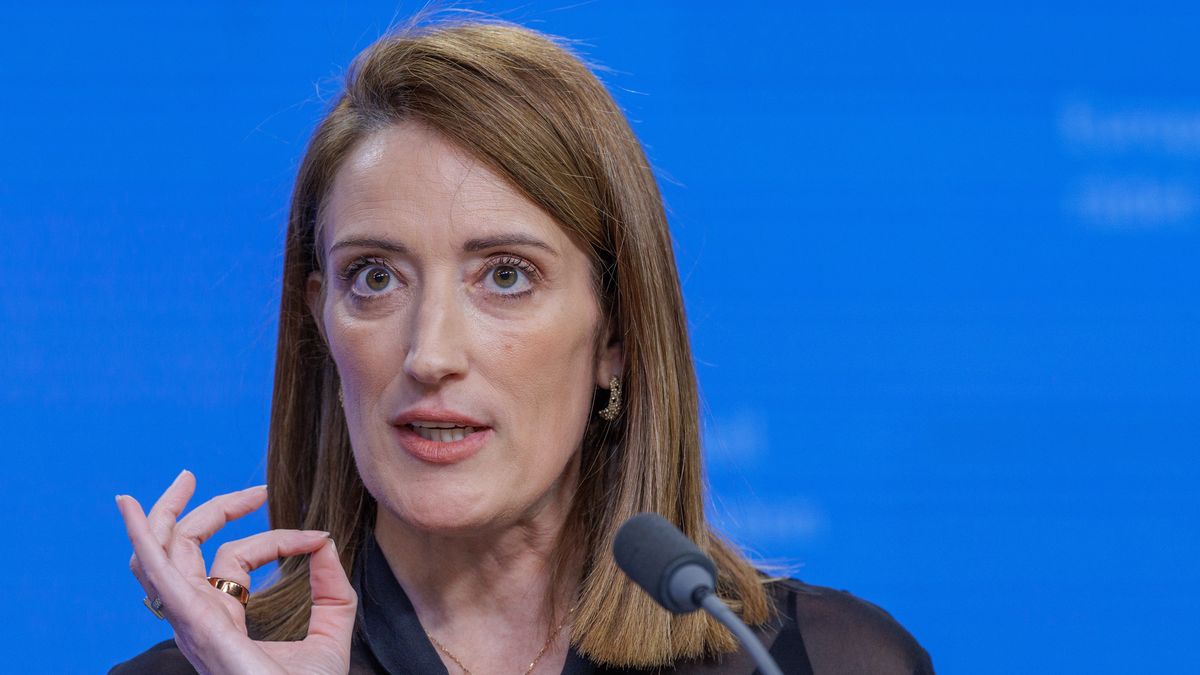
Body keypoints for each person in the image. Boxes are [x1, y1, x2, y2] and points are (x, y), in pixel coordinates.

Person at [112, 17, 934, 675]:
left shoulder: (823, 661)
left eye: (505, 275)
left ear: (616, 334)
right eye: (374, 277)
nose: (430, 352)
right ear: (321, 323)